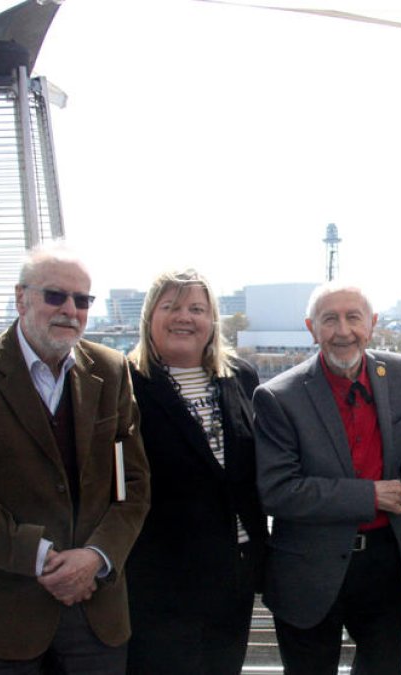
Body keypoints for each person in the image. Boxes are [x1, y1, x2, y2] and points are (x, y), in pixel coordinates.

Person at [0, 244, 150, 674]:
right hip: (0, 621)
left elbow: (133, 485)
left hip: (95, 614)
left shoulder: (111, 371)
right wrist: (43, 557)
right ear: (21, 298)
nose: (70, 309)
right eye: (55, 296)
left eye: (82, 300)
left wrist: (94, 558)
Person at [254, 281, 401, 674]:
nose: (343, 331)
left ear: (373, 323)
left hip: (388, 567)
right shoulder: (277, 397)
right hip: (307, 573)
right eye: (329, 319)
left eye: (354, 317)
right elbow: (278, 491)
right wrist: (368, 496)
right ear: (311, 327)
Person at [124, 269, 267, 674]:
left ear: (212, 321)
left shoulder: (240, 377)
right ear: (149, 317)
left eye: (196, 308)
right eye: (169, 306)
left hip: (234, 576)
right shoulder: (123, 384)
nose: (183, 317)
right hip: (161, 580)